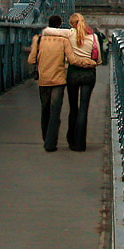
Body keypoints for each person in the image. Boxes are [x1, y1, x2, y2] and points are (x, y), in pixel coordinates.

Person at [28, 14, 97, 152]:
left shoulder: (39, 39)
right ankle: (51, 143)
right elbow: (72, 60)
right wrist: (89, 63)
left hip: (43, 80)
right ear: (60, 25)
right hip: (58, 80)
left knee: (45, 110)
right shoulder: (63, 41)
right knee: (55, 112)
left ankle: (46, 138)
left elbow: (31, 60)